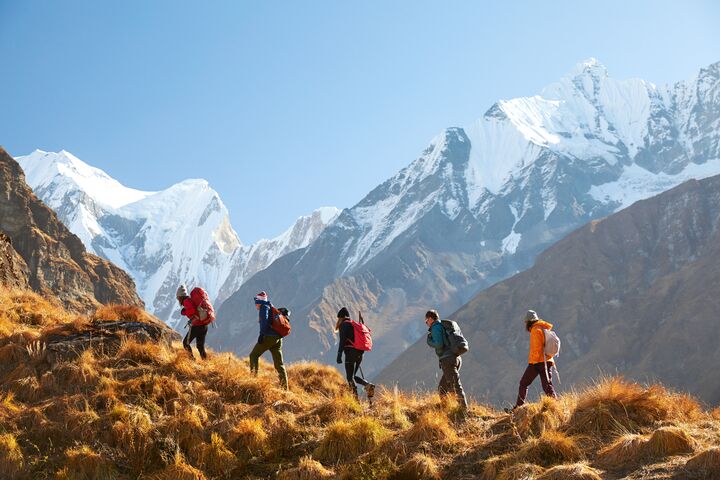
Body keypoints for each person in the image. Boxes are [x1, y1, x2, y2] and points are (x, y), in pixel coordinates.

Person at [511, 310, 557, 410]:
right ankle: (556, 405)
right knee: (547, 385)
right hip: (547, 361)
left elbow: (537, 348)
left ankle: (518, 407)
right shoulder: (543, 328)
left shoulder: (536, 330)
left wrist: (533, 363)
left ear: (528, 322)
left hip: (538, 362)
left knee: (524, 383)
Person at [425, 309, 468, 412]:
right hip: (455, 358)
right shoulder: (443, 326)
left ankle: (463, 410)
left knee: (456, 386)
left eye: (426, 320)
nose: (426, 323)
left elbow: (439, 344)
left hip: (447, 360)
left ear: (431, 319)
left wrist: (429, 342)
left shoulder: (435, 327)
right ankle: (447, 410)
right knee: (443, 388)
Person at [248, 291, 288, 390]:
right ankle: (285, 388)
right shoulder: (270, 306)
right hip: (278, 338)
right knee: (279, 364)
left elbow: (264, 322)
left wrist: (262, 334)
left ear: (259, 302)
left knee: (253, 355)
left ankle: (253, 382)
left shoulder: (263, 308)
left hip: (269, 337)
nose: (255, 304)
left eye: (256, 302)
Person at [336, 307, 375, 402]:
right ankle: (367, 385)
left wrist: (339, 354)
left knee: (349, 378)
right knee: (353, 376)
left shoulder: (344, 325)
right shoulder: (353, 325)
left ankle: (355, 400)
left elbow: (342, 341)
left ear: (341, 318)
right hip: (360, 353)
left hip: (350, 353)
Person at [177, 284, 208, 360]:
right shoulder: (190, 300)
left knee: (185, 343)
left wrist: (184, 312)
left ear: (180, 297)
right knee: (200, 346)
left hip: (197, 326)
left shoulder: (186, 301)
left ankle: (191, 360)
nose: (178, 300)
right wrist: (185, 311)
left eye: (178, 298)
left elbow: (192, 311)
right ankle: (206, 362)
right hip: (204, 325)